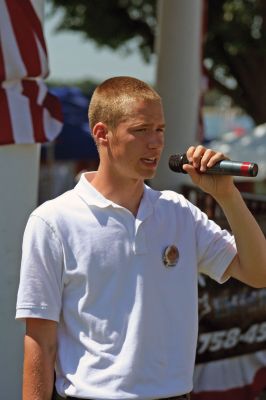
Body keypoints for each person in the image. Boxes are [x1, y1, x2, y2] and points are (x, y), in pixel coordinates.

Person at [16, 76, 266, 400]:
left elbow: (258, 273)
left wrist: (228, 196)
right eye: (141, 130)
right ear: (102, 134)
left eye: (159, 129)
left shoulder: (179, 211)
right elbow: (39, 339)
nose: (156, 143)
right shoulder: (52, 221)